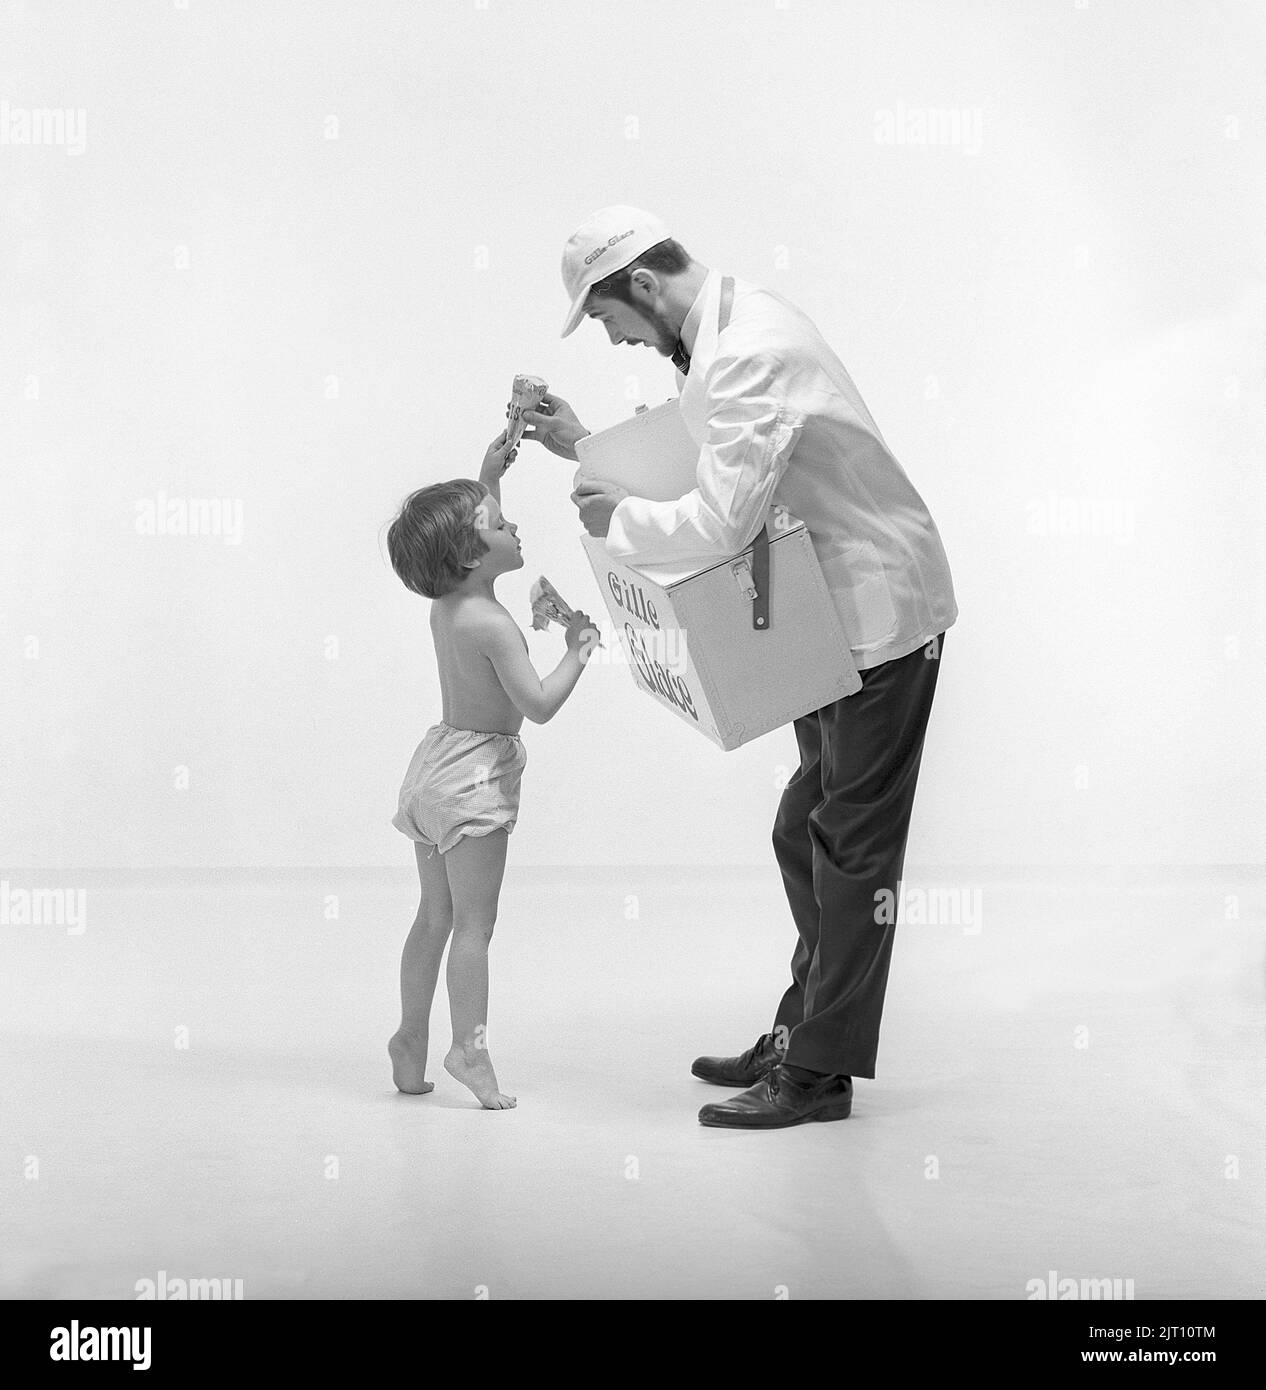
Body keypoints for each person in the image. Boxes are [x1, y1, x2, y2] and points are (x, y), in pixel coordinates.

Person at [520, 206, 958, 1130]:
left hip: (880, 608)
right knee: (804, 828)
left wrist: (615, 522)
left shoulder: (750, 349)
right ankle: (803, 1032)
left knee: (851, 846)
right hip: (819, 607)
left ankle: (818, 1075)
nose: (615, 338)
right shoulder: (726, 333)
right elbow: (711, 451)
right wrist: (583, 445)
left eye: (606, 319)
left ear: (640, 286)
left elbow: (722, 519)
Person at [384, 429, 599, 1109]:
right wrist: (579, 649)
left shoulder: (451, 605)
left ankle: (410, 1039)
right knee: (476, 927)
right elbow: (536, 706)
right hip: (476, 781)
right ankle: (469, 1051)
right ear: (473, 555)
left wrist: (488, 472)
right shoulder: (496, 628)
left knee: (434, 917)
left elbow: (474, 528)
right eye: (500, 523)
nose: (513, 524)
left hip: (432, 773)